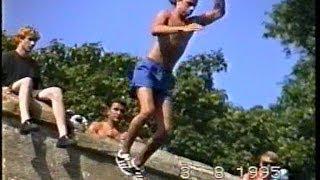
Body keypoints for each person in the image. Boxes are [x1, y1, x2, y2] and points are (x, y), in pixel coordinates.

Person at [116, 0, 226, 178]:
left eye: (194, 5)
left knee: (165, 130)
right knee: (147, 110)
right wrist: (181, 29)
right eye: (188, 3)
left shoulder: (193, 21)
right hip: (149, 69)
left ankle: (138, 163)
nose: (191, 8)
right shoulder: (166, 15)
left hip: (166, 77)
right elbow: (155, 29)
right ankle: (123, 151)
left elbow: (218, 13)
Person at [2, 26, 76, 148]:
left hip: (30, 91)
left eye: (35, 41)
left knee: (56, 91)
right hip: (12, 87)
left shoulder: (33, 64)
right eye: (30, 39)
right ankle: (25, 121)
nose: (32, 44)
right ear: (20, 38)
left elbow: (37, 88)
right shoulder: (6, 57)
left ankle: (63, 136)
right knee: (26, 80)